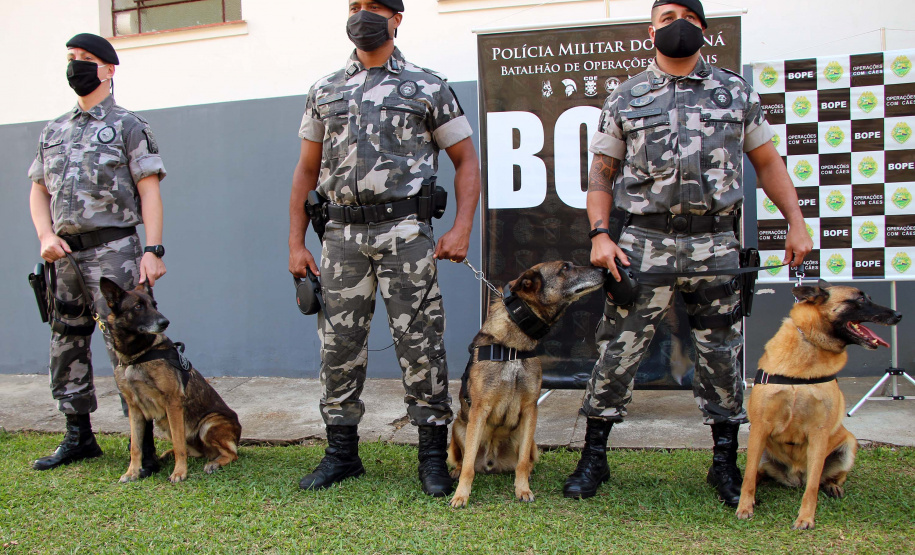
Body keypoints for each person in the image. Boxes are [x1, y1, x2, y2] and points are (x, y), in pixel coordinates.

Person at [564, 0, 812, 506]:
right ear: (650, 30)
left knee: (721, 353)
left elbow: (767, 163)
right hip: (643, 246)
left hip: (715, 245)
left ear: (704, 29)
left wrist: (797, 222)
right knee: (618, 350)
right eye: (667, 16)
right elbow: (600, 177)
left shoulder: (734, 92)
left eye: (689, 17)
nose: (678, 25)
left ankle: (724, 463)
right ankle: (594, 457)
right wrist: (599, 233)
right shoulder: (627, 96)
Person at [289, 0, 481, 497]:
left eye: (374, 6)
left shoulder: (428, 86)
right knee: (338, 348)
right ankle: (341, 454)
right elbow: (306, 172)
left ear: (397, 18)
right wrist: (295, 243)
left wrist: (461, 228)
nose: (362, 14)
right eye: (355, 5)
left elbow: (465, 160)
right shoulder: (324, 89)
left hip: (405, 235)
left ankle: (432, 457)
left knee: (421, 342)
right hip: (340, 239)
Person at [28, 33, 167, 472]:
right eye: (71, 58)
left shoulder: (129, 125)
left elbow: (149, 192)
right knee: (65, 339)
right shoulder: (54, 130)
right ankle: (78, 435)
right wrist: (44, 236)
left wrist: (152, 249)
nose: (76, 66)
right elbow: (37, 190)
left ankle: (142, 447)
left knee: (131, 344)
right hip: (64, 255)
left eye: (86, 59)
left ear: (108, 69)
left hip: (115, 250)